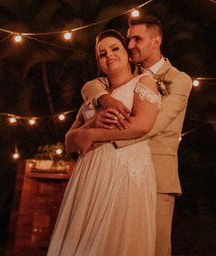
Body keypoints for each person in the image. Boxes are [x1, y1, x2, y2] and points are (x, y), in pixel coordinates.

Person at [81, 15, 193, 256]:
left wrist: (100, 137)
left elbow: (153, 124)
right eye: (129, 39)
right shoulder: (126, 72)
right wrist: (105, 98)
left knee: (154, 248)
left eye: (137, 39)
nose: (130, 45)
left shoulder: (179, 80)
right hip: (121, 174)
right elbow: (90, 85)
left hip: (156, 174)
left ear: (156, 41)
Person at [47, 29, 162, 256]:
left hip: (123, 172)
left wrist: (92, 135)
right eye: (102, 53)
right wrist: (92, 124)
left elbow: (142, 125)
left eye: (115, 48)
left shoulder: (143, 82)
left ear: (129, 55)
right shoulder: (93, 97)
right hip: (89, 173)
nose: (108, 55)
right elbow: (69, 142)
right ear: (99, 62)